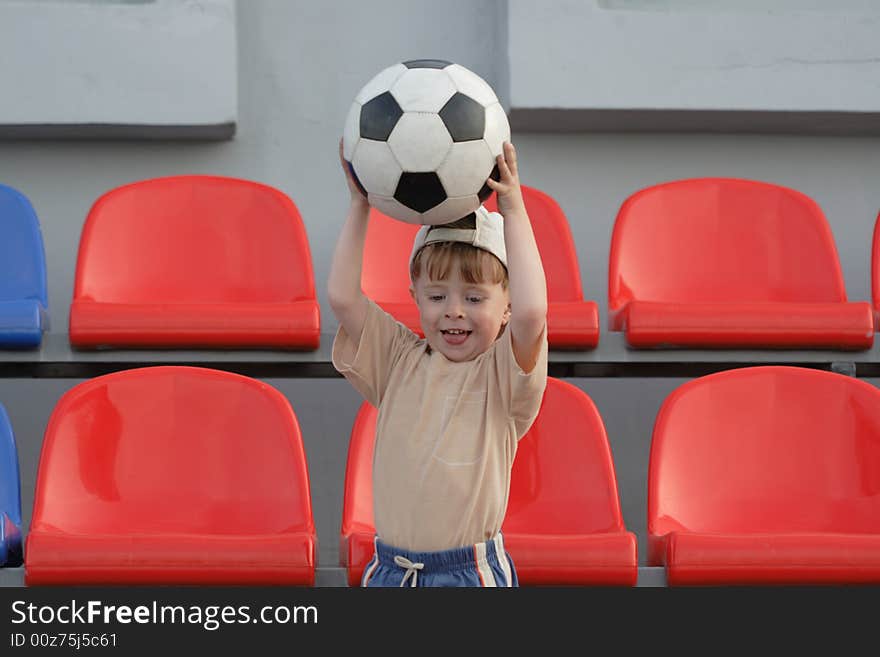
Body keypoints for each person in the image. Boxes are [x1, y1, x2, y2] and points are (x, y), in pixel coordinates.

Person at [328, 139, 548, 587]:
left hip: (468, 574)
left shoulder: (503, 374)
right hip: (391, 571)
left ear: (505, 307)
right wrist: (359, 205)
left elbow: (531, 314)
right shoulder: (397, 359)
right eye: (436, 296)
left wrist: (514, 209)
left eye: (474, 297)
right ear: (415, 298)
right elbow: (342, 297)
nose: (454, 310)